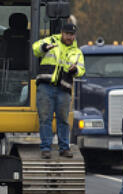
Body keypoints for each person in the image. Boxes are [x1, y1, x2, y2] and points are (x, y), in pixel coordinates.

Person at [30, 19, 85, 158]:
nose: (69, 37)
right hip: (45, 87)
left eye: (72, 34)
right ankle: (46, 148)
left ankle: (64, 148)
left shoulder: (77, 52)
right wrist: (44, 48)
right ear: (62, 33)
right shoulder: (51, 41)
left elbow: (82, 70)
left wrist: (75, 69)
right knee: (45, 118)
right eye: (67, 34)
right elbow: (35, 48)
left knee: (63, 120)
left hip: (64, 89)